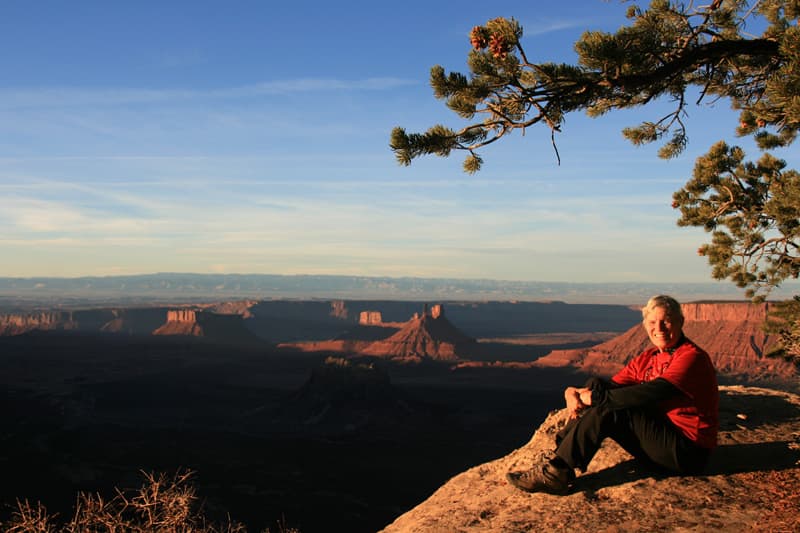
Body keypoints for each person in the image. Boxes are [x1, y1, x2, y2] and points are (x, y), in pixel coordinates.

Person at [506, 295, 719, 495]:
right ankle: (557, 459)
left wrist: (595, 399)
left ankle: (556, 472)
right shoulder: (649, 357)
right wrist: (573, 393)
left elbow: (654, 392)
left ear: (681, 322)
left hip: (686, 452)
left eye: (667, 321)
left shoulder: (692, 357)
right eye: (652, 323)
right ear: (645, 325)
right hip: (660, 437)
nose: (659, 328)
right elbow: (609, 387)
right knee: (596, 384)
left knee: (608, 409)